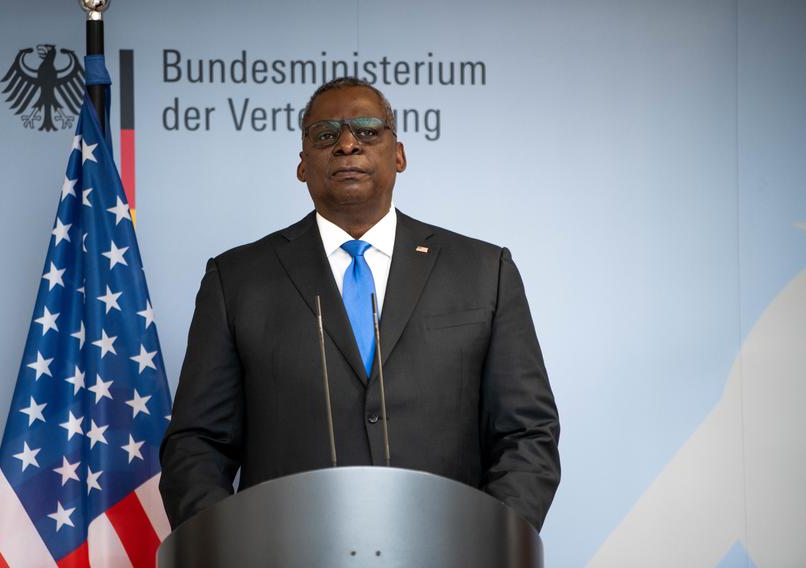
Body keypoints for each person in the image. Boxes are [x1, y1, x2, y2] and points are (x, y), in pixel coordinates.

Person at [160, 77, 560, 532]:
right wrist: (230, 548)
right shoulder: (236, 280)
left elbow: (527, 433)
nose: (348, 143)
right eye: (325, 134)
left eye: (369, 130)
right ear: (301, 165)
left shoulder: (486, 272)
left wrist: (490, 542)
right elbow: (197, 445)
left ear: (400, 154)